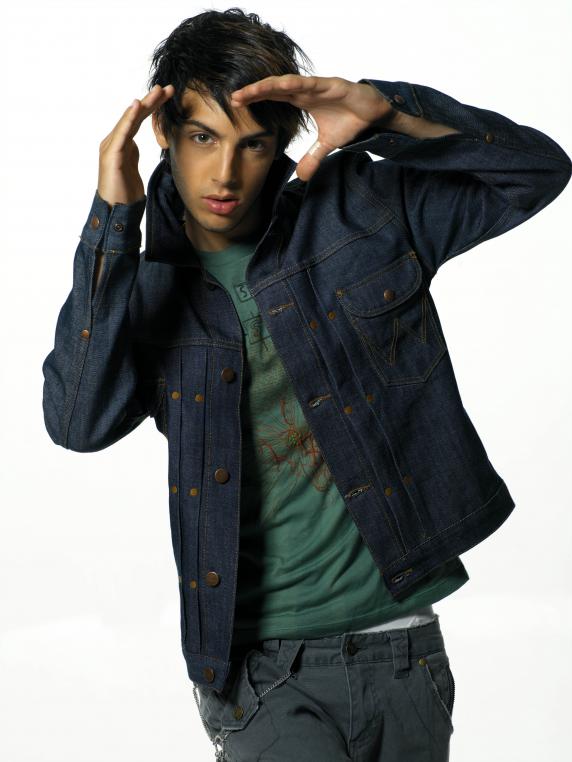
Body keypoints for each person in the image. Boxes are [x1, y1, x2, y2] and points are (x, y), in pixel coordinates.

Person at [41, 7, 571, 761]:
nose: (225, 174)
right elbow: (75, 423)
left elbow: (537, 172)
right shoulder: (145, 281)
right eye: (203, 138)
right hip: (263, 672)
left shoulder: (359, 211)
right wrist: (111, 222)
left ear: (282, 142)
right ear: (163, 132)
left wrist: (390, 112)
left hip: (405, 648)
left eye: (253, 145)